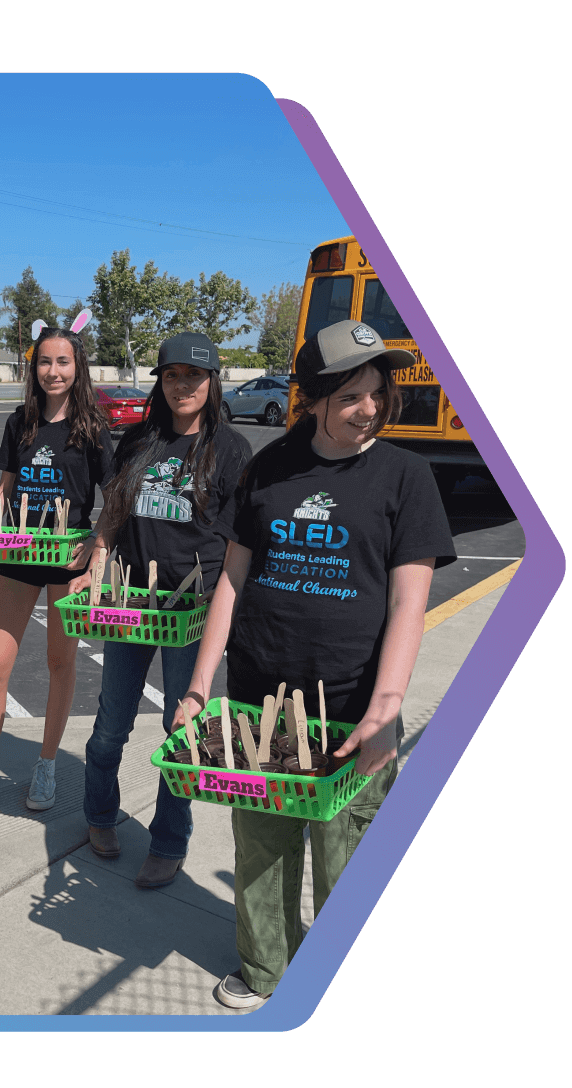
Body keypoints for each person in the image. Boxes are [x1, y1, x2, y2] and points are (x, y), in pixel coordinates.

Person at [173, 320, 456, 1009]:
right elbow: (232, 583)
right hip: (259, 704)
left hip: (353, 711)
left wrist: (388, 707)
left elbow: (408, 605)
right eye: (353, 396)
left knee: (347, 860)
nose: (371, 410)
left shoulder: (405, 477)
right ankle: (266, 970)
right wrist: (198, 685)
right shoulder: (267, 469)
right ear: (315, 398)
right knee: (262, 853)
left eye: (377, 395)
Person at [72, 331, 251, 887]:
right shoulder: (137, 441)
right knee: (109, 727)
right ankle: (100, 814)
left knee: (181, 734)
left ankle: (170, 841)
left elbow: (239, 540)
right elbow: (115, 510)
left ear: (212, 381)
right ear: (162, 382)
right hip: (132, 602)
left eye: (193, 376)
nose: (182, 386)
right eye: (172, 376)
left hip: (192, 613)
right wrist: (99, 551)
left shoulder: (232, 450)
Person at [0, 318, 114, 816]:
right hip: (18, 556)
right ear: (32, 367)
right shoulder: (21, 422)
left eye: (62, 361)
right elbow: (5, 488)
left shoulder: (92, 427)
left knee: (61, 664)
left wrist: (98, 546)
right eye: (44, 361)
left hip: (65, 560)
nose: (52, 371)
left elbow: (114, 496)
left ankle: (47, 763)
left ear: (77, 367)